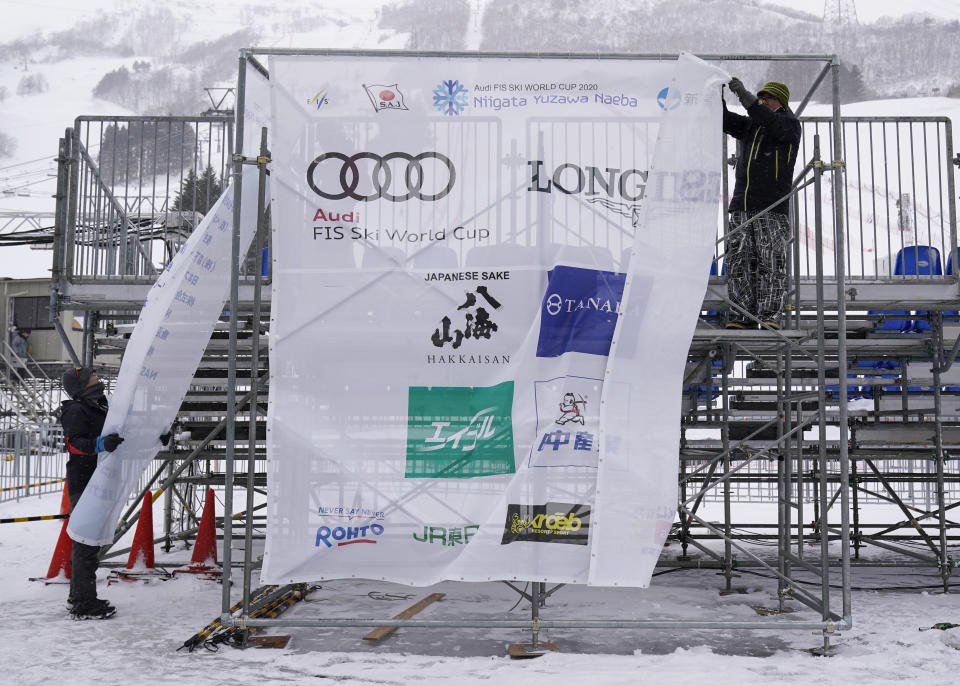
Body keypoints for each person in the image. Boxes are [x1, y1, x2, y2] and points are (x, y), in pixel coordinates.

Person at [722, 79, 802, 330]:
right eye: (761, 97)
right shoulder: (752, 125)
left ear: (781, 101)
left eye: (768, 97)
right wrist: (715, 94)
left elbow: (768, 119)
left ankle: (769, 315)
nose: (763, 101)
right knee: (738, 261)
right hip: (742, 204)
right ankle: (741, 314)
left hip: (771, 206)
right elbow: (724, 120)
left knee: (771, 261)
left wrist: (745, 96)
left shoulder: (788, 125)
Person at [60, 366, 124, 620]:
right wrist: (100, 444)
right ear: (83, 385)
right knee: (85, 543)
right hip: (85, 482)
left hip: (100, 480)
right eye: (93, 377)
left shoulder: (100, 405)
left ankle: (80, 596)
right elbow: (73, 443)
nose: (99, 379)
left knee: (91, 541)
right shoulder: (76, 409)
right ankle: (83, 603)